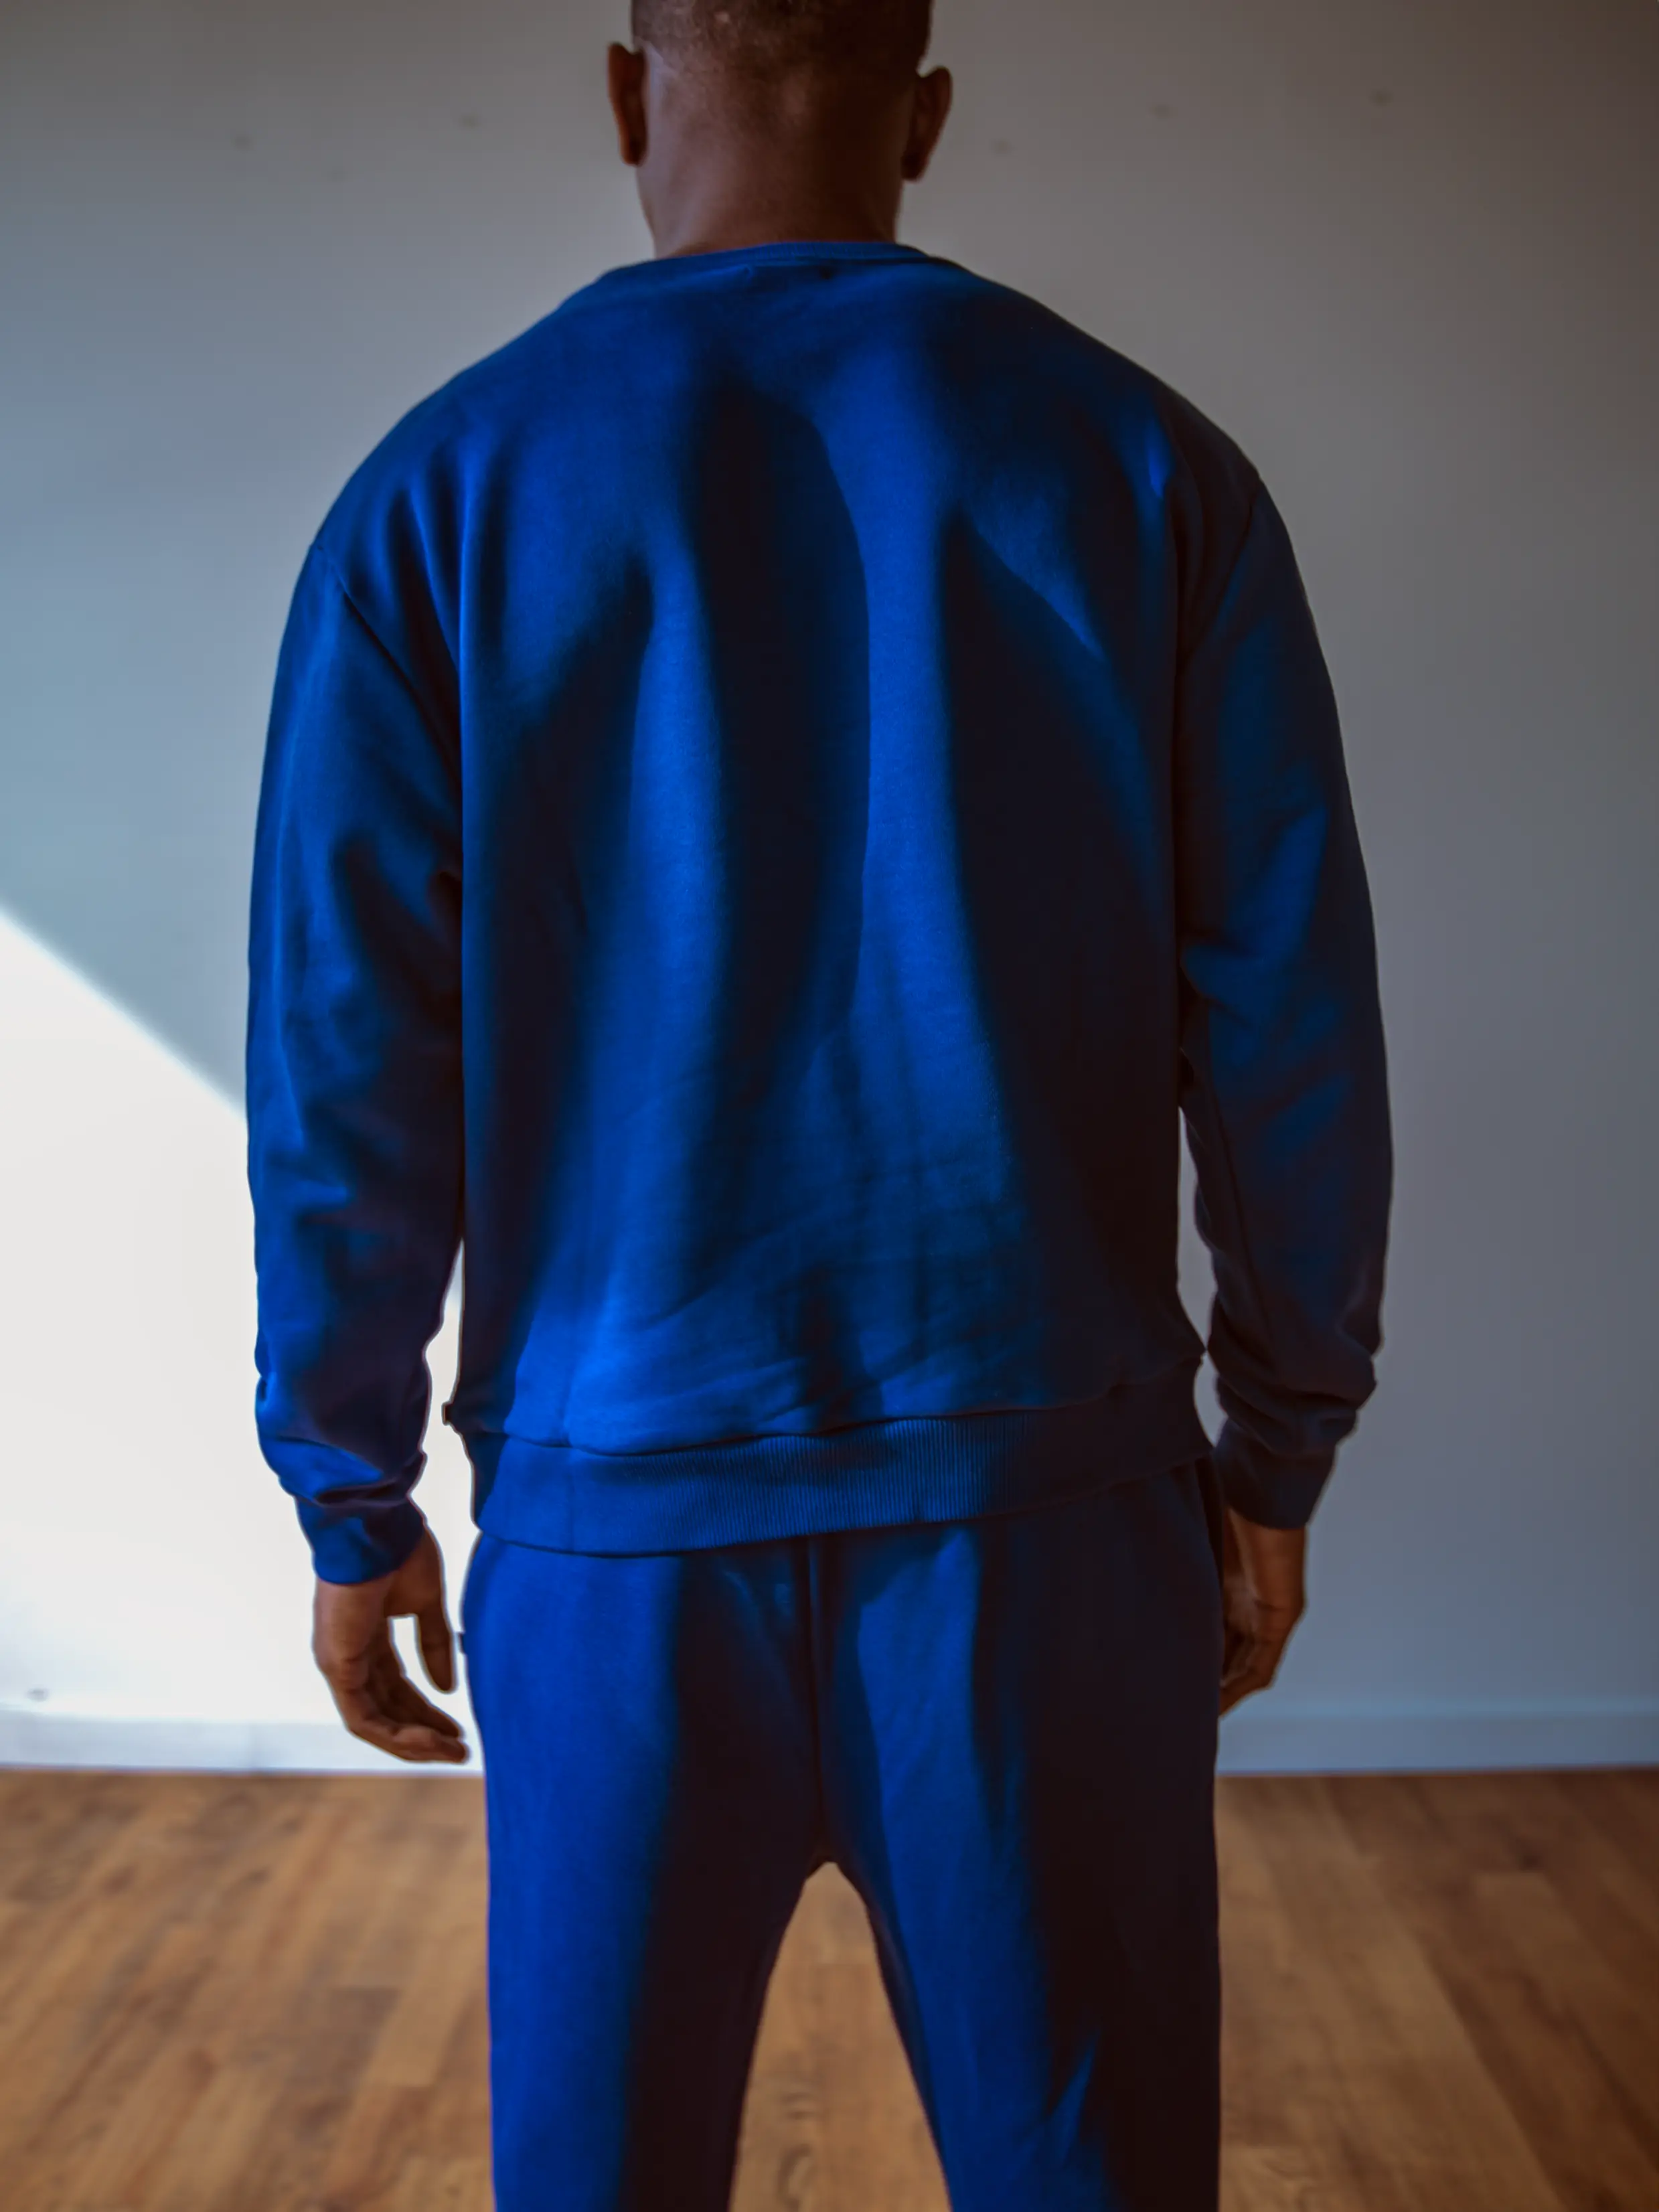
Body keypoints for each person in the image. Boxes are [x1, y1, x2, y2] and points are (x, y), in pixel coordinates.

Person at [246, 1, 1392, 2204]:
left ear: (620, 92)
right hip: (1043, 1520)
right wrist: (1278, 1444)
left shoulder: (442, 489)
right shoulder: (1144, 465)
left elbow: (344, 1051)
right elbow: (1288, 1019)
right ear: (927, 118)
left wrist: (349, 1482)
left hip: (617, 1531)